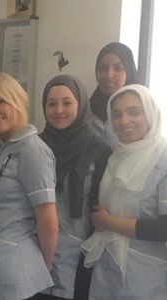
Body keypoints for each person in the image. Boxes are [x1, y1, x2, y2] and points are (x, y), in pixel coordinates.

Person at [0, 73, 58, 300]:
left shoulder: (33, 150)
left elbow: (48, 219)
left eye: (0, 101)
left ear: (17, 99)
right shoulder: (5, 148)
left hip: (17, 277)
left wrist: (42, 265)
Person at [82, 84, 167, 299]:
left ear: (151, 112)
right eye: (117, 115)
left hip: (147, 275)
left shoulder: (163, 158)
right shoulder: (114, 158)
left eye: (135, 112)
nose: (124, 121)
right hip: (107, 266)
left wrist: (110, 223)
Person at [37, 75, 111, 300]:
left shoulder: (99, 150)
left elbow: (99, 206)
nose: (58, 109)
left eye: (67, 103)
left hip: (77, 256)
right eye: (51, 103)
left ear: (80, 104)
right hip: (34, 251)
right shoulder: (35, 146)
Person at [89, 42, 139, 146]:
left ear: (128, 71)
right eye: (103, 68)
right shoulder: (86, 111)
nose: (109, 75)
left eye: (118, 68)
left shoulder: (143, 111)